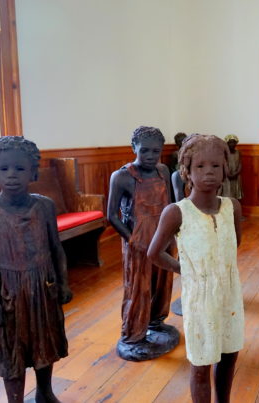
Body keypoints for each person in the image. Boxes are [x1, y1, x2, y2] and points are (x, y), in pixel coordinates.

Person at [0, 136, 73, 403]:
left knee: (45, 341)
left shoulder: (44, 206)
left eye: (20, 168)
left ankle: (44, 391)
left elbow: (56, 249)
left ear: (33, 172)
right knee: (12, 349)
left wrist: (62, 283)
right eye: (4, 169)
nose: (12, 175)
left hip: (43, 287)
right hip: (10, 292)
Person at [147, 134, 244, 403]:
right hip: (200, 300)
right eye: (200, 166)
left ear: (225, 168)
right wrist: (186, 270)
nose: (209, 172)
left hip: (230, 295)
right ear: (187, 170)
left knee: (228, 355)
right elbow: (154, 253)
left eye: (215, 165)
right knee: (201, 361)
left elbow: (235, 243)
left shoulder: (232, 208)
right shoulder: (177, 212)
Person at [106, 126, 179, 361]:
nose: (150, 156)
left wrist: (173, 233)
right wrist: (132, 240)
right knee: (139, 288)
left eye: (155, 152)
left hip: (163, 236)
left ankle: (156, 322)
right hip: (138, 241)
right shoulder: (122, 177)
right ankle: (133, 335)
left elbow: (170, 204)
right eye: (144, 150)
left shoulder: (163, 171)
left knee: (162, 282)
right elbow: (112, 215)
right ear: (133, 148)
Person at [219, 134, 243, 200]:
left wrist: (236, 173)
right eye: (230, 142)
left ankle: (235, 208)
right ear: (227, 143)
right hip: (227, 177)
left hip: (236, 176)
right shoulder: (224, 153)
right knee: (227, 194)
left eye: (234, 142)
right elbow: (224, 164)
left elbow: (240, 164)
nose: (232, 144)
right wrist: (228, 174)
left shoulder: (238, 153)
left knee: (235, 193)